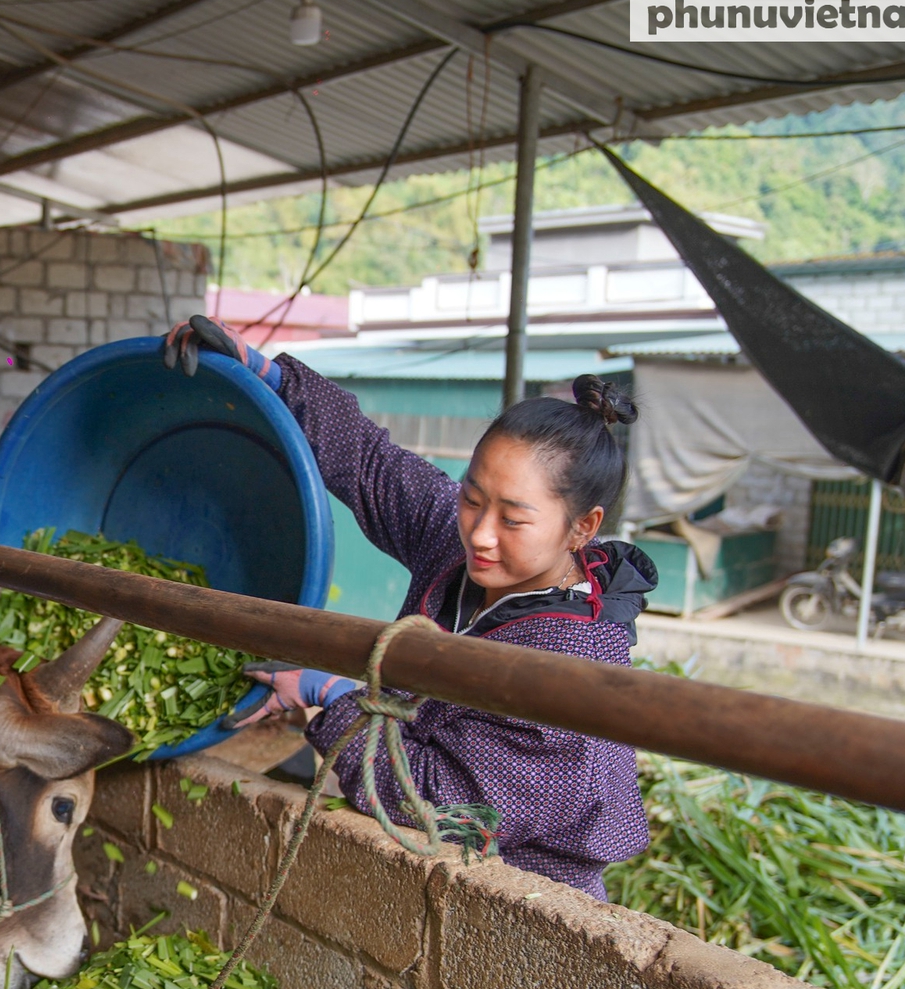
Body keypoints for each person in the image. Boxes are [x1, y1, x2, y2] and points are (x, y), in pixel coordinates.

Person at [164, 316, 657, 899]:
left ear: (583, 527)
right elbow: (371, 462)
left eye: (513, 519)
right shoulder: (457, 544)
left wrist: (330, 694)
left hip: (515, 895)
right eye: (472, 498)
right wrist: (268, 375)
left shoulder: (569, 664)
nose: (481, 534)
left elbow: (441, 806)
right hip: (415, 865)